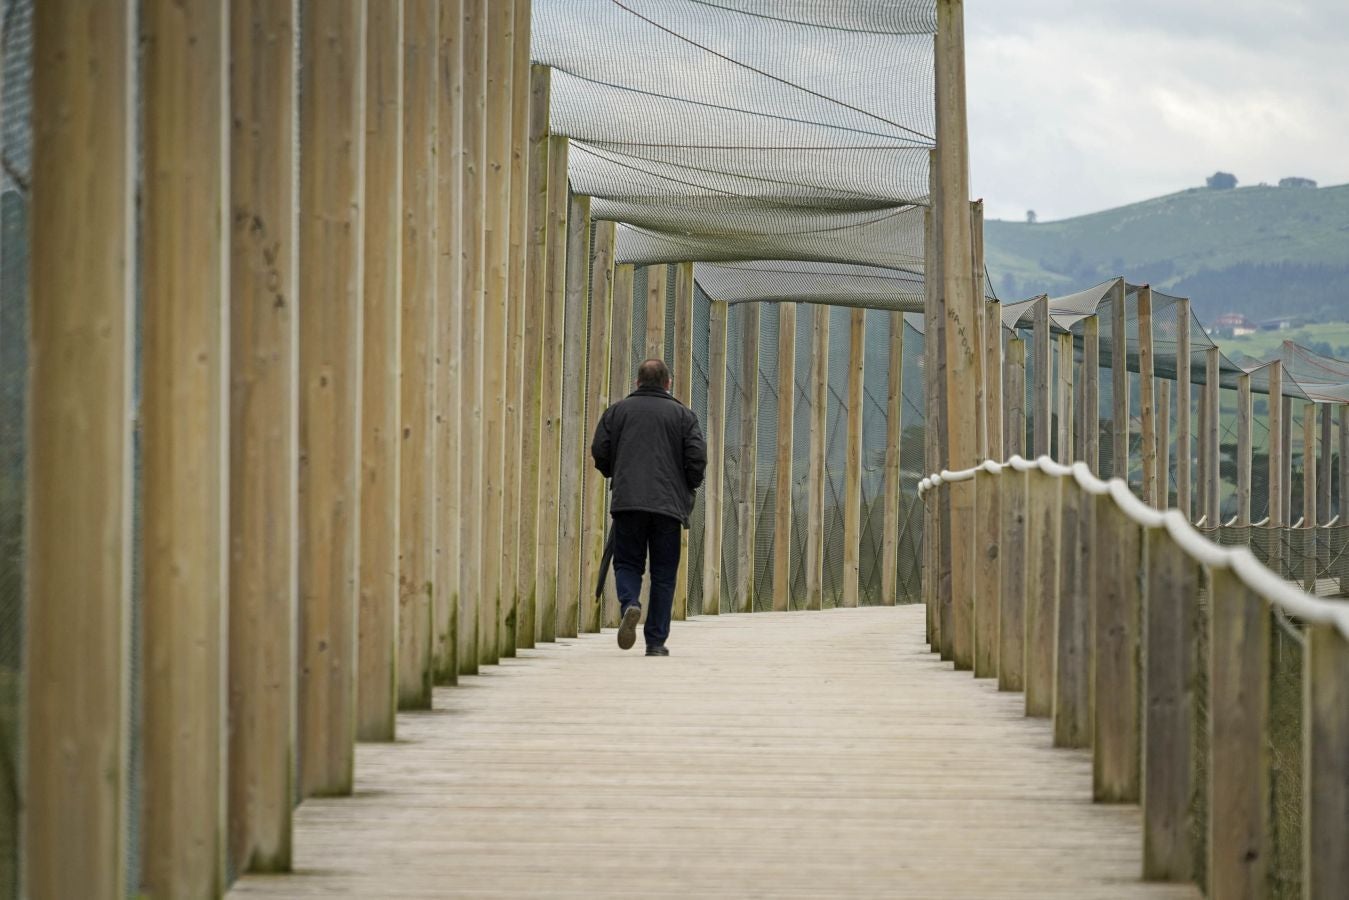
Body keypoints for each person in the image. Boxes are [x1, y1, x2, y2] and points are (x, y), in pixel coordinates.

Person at [591, 358, 707, 656]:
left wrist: (616, 472)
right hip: (668, 507)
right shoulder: (684, 416)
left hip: (628, 503)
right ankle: (655, 642)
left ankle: (631, 603)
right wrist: (687, 485)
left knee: (628, 563)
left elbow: (600, 451)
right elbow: (696, 458)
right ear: (668, 384)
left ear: (637, 382)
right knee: (664, 573)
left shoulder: (617, 412)